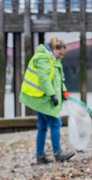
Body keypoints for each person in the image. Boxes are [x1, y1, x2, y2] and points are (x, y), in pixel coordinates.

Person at [19, 36, 74, 164]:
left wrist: (64, 91)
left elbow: (58, 78)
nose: (61, 56)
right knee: (55, 123)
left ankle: (40, 156)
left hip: (43, 98)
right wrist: (52, 95)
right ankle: (58, 153)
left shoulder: (54, 59)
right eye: (60, 53)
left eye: (63, 54)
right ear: (54, 49)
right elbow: (44, 79)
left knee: (42, 126)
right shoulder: (44, 58)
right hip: (43, 98)